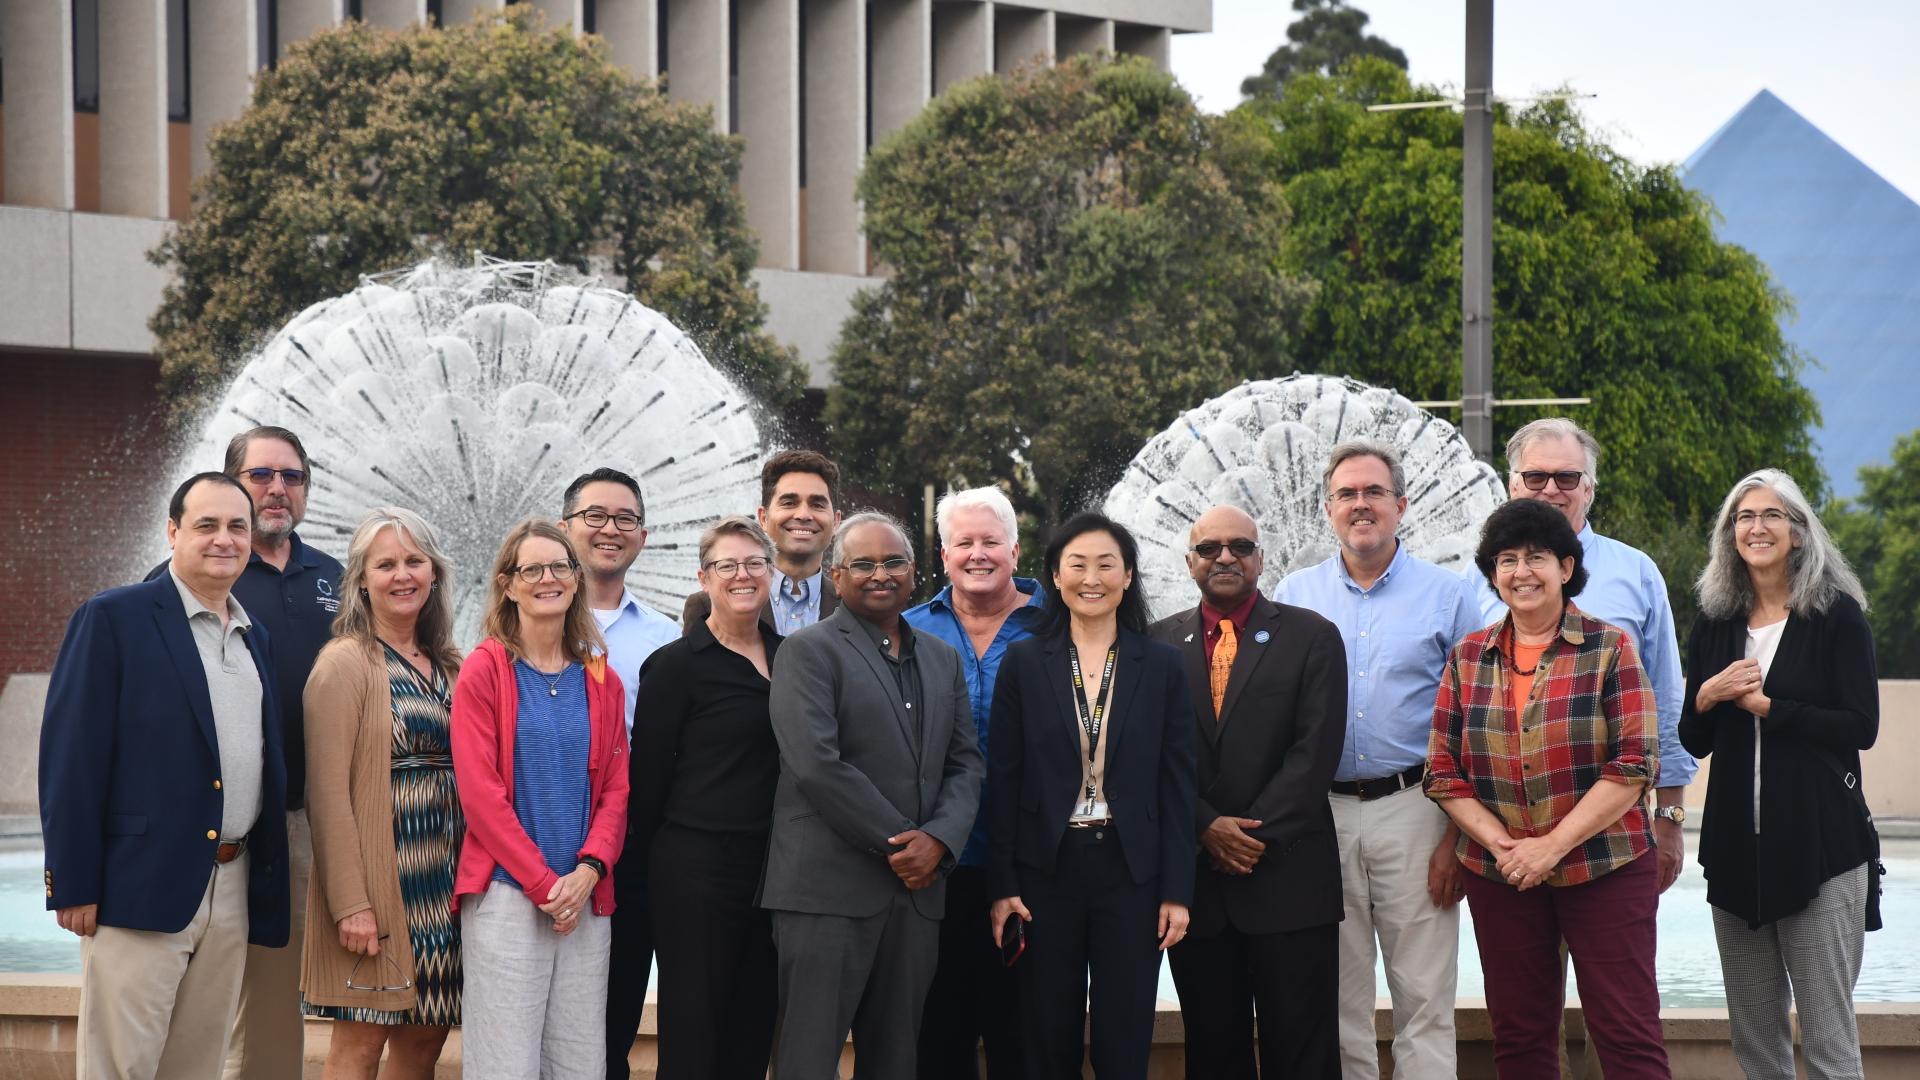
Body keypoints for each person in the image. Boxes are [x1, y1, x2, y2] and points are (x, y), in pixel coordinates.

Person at [41, 472, 291, 1080]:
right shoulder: (114, 618)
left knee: (195, 1068)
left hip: (230, 885)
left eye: (237, 526)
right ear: (174, 532)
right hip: (139, 885)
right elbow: (71, 756)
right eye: (206, 525)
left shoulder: (250, 633)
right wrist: (72, 882)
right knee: (121, 1069)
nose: (224, 539)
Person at [1428, 499, 1669, 1079]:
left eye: (1536, 557)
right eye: (1506, 560)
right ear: (1492, 574)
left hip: (1604, 866)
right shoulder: (1467, 657)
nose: (1521, 572)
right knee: (1520, 1037)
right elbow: (1442, 770)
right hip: (1502, 874)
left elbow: (1636, 763)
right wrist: (1506, 846)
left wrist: (1550, 846)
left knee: (1627, 1033)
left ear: (1566, 567)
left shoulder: (1610, 648)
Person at [143, 425, 344, 1080]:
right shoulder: (197, 578)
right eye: (261, 475)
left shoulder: (338, 580)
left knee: (295, 1001)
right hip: (229, 827)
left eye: (293, 476)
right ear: (233, 483)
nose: (278, 489)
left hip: (320, 822)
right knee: (223, 1009)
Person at [1275, 442, 1480, 1079]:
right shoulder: (1293, 595)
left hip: (1416, 808)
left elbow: (1473, 722)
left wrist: (1456, 838)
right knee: (1336, 995)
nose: (1360, 505)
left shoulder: (1450, 596)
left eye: (1373, 493)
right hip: (1320, 816)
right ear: (1328, 509)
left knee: (1424, 995)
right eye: (1346, 494)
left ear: (1401, 505)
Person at [760, 511, 984, 1080]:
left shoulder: (942, 658)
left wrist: (938, 841)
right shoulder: (807, 651)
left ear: (915, 575)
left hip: (915, 897)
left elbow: (965, 763)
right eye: (863, 563)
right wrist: (903, 844)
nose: (879, 574)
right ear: (837, 575)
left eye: (893, 563)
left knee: (896, 1061)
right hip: (826, 893)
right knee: (807, 1061)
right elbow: (816, 764)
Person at [1681, 469, 1878, 1080]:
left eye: (1771, 515)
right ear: (1728, 535)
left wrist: (1774, 709)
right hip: (1737, 853)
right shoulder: (1716, 620)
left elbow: (1860, 727)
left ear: (1798, 533)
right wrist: (1707, 697)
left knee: (1826, 1034)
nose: (1756, 527)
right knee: (1754, 1034)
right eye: (1744, 517)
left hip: (1822, 850)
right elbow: (1693, 740)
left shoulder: (1836, 617)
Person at [992, 512, 1198, 1080]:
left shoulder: (1160, 665)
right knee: (1047, 1032)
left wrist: (1178, 889)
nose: (1092, 577)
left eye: (1107, 564)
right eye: (1076, 564)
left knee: (1123, 1034)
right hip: (1045, 871)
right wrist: (1003, 886)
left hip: (1131, 870)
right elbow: (1004, 779)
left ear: (1128, 575)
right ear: (1055, 577)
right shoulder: (1025, 661)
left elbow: (1178, 784)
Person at [1150, 505, 1344, 1079]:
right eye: (1210, 548)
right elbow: (1151, 758)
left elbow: (1314, 755)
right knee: (1213, 1051)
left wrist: (1249, 837)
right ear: (1190, 563)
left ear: (1261, 558)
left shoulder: (1312, 636)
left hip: (1289, 877)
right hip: (1199, 889)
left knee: (1303, 1051)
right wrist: (1204, 826)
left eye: (1240, 546)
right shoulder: (1157, 646)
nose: (1225, 557)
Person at [1473, 418, 1695, 891]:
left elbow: (1665, 697)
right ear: (1512, 484)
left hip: (1614, 837)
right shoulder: (1474, 581)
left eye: (1567, 478)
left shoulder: (1635, 572)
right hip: (1506, 841)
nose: (1551, 489)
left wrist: (1671, 815)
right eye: (1536, 477)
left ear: (1589, 488)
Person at [452, 519, 630, 1079]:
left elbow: (617, 789)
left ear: (576, 580)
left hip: (584, 899)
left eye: (560, 567)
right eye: (533, 569)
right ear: (508, 584)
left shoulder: (603, 678)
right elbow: (481, 796)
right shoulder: (485, 669)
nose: (548, 578)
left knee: (578, 1064)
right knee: (505, 1065)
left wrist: (587, 872)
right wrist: (543, 884)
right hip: (509, 895)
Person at [299, 508, 465, 1078]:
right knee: (362, 1042)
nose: (402, 575)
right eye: (386, 564)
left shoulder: (452, 664)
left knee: (425, 1040)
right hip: (380, 881)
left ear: (434, 574)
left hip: (445, 881)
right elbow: (326, 794)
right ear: (362, 580)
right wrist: (351, 903)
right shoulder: (344, 663)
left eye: (414, 561)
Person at [628, 517, 784, 1079]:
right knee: (694, 1033)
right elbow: (647, 787)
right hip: (696, 873)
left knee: (753, 1027)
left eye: (753, 563)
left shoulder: (795, 659)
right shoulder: (675, 667)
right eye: (727, 565)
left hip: (774, 873)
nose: (742, 575)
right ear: (704, 577)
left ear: (770, 572)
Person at [905, 486, 1047, 1078]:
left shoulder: (1061, 626)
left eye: (991, 541)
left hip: (1038, 864)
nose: (978, 554)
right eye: (964, 542)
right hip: (937, 863)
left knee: (1027, 1034)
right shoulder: (906, 630)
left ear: (1016, 551)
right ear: (944, 555)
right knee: (941, 1033)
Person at [558, 467, 677, 1080]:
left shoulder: (668, 638)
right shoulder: (517, 633)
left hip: (631, 852)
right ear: (564, 528)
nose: (610, 529)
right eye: (594, 517)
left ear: (643, 535)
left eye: (625, 519)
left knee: (615, 1022)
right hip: (542, 846)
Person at [683, 449, 843, 632]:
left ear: (836, 521)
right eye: (789, 503)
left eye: (817, 505)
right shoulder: (708, 605)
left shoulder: (854, 607)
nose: (803, 515)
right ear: (763, 518)